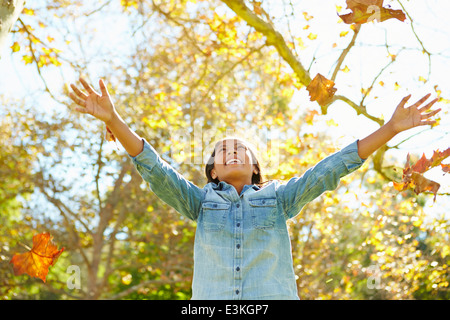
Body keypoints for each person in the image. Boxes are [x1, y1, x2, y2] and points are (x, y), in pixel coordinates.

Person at [69, 77, 440, 299]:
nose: (230, 150)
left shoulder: (278, 198)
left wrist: (390, 128)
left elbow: (331, 168)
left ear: (255, 166)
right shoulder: (198, 202)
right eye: (221, 151)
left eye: (239, 148)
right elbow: (155, 169)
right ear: (212, 172)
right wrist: (114, 120)